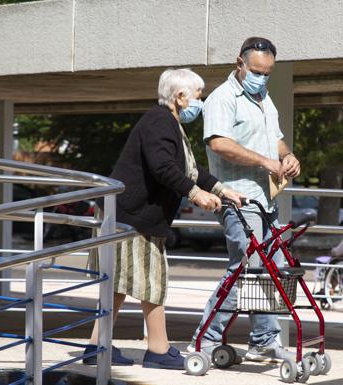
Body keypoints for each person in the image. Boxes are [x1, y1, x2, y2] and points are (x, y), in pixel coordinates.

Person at [83, 68, 242, 370]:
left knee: (118, 284)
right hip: (132, 217)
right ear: (180, 97)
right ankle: (158, 350)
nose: (200, 101)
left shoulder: (169, 124)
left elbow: (191, 171)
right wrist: (197, 195)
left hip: (129, 215)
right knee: (152, 282)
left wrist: (224, 190)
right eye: (198, 95)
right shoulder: (159, 121)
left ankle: (96, 346)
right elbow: (163, 168)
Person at [189, 37, 301, 362]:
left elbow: (275, 139)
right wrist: (264, 161)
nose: (262, 78)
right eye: (256, 71)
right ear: (240, 63)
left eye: (267, 73)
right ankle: (204, 340)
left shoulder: (263, 96)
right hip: (237, 199)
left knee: (271, 270)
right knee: (243, 270)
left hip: (265, 200)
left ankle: (264, 339)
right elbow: (218, 143)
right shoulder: (223, 98)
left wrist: (288, 155)